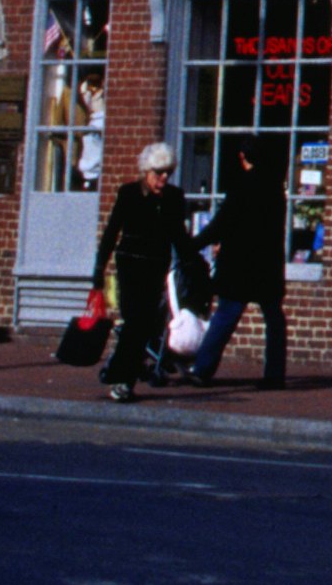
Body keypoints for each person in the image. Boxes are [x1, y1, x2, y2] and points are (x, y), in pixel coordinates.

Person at [89, 142, 197, 405]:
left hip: (155, 266)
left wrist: (192, 262)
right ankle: (122, 379)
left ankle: (121, 373)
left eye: (167, 174)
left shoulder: (173, 198)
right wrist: (99, 270)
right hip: (130, 266)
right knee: (135, 321)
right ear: (147, 171)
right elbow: (112, 231)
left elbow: (179, 236)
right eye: (158, 173)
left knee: (144, 325)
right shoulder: (129, 194)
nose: (162, 179)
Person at [192, 143, 290, 388]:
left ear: (243, 158)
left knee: (226, 315)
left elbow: (221, 224)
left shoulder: (241, 186)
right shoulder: (275, 188)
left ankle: (203, 369)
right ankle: (275, 375)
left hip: (239, 263)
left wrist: (194, 244)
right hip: (267, 263)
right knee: (274, 319)